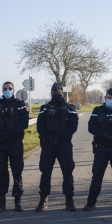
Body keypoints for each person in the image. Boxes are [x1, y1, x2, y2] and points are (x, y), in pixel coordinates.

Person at [35, 83, 79, 212]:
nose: (57, 94)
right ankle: (43, 200)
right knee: (45, 172)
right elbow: (40, 126)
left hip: (64, 144)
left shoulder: (70, 108)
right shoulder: (45, 108)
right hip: (48, 144)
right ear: (51, 93)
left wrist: (59, 138)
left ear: (63, 92)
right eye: (54, 92)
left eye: (59, 92)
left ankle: (69, 200)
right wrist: (49, 138)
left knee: (67, 172)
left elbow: (73, 127)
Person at [0, 82, 29, 212]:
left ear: (14, 90)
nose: (7, 90)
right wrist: (2, 134)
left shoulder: (20, 104)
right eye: (5, 89)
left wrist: (12, 133)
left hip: (15, 142)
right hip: (1, 143)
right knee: (2, 173)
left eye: (10, 89)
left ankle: (18, 202)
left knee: (17, 172)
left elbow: (24, 122)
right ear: (2, 90)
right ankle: (2, 202)